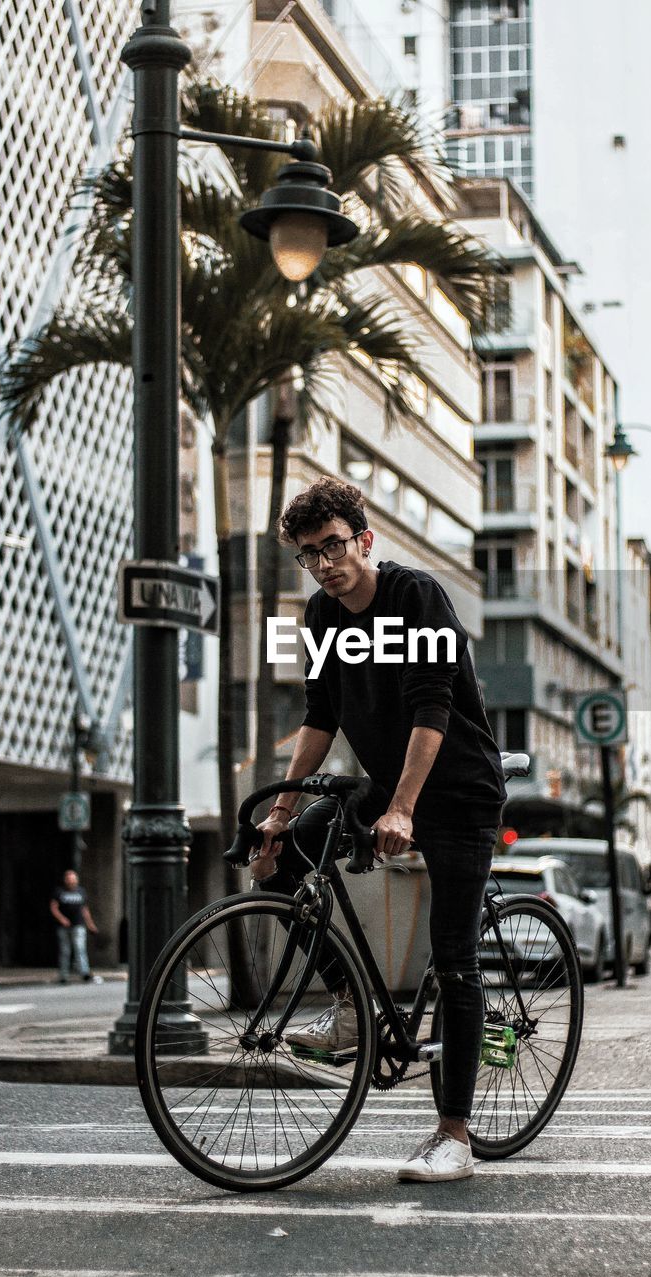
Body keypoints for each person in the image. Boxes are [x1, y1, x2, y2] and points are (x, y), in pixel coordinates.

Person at [251, 476, 507, 1183]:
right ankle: (349, 1008)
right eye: (310, 553)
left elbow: (432, 708)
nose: (325, 562)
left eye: (333, 545)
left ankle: (453, 1135)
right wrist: (279, 815)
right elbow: (318, 717)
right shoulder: (320, 617)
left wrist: (403, 808)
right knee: (289, 859)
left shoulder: (414, 597)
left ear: (363, 540)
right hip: (385, 787)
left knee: (453, 958)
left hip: (456, 790)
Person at [50, 869, 99, 983]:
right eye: (69, 879)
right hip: (64, 926)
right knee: (65, 950)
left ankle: (85, 973)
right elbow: (54, 907)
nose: (71, 882)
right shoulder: (59, 892)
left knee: (80, 948)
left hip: (79, 925)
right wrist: (62, 919)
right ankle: (64, 975)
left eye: (73, 879)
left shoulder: (81, 892)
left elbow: (84, 909)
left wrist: (90, 924)